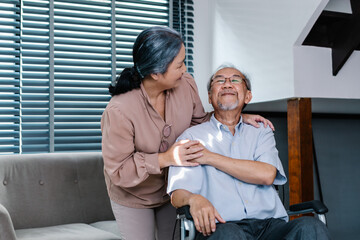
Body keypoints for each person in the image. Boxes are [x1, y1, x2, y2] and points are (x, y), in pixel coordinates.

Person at [101, 27, 274, 240]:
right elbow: (119, 170)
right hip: (134, 195)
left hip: (171, 190)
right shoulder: (119, 110)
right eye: (179, 65)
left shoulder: (185, 84)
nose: (184, 69)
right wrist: (166, 158)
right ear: (156, 73)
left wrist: (235, 115)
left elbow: (199, 122)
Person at [167, 65, 331, 240]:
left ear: (248, 96)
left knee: (310, 226)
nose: (227, 84)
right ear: (209, 97)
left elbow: (267, 174)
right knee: (230, 234)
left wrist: (210, 157)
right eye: (220, 80)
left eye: (235, 80)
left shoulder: (261, 131)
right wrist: (193, 199)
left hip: (270, 226)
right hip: (222, 226)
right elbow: (178, 194)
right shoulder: (191, 137)